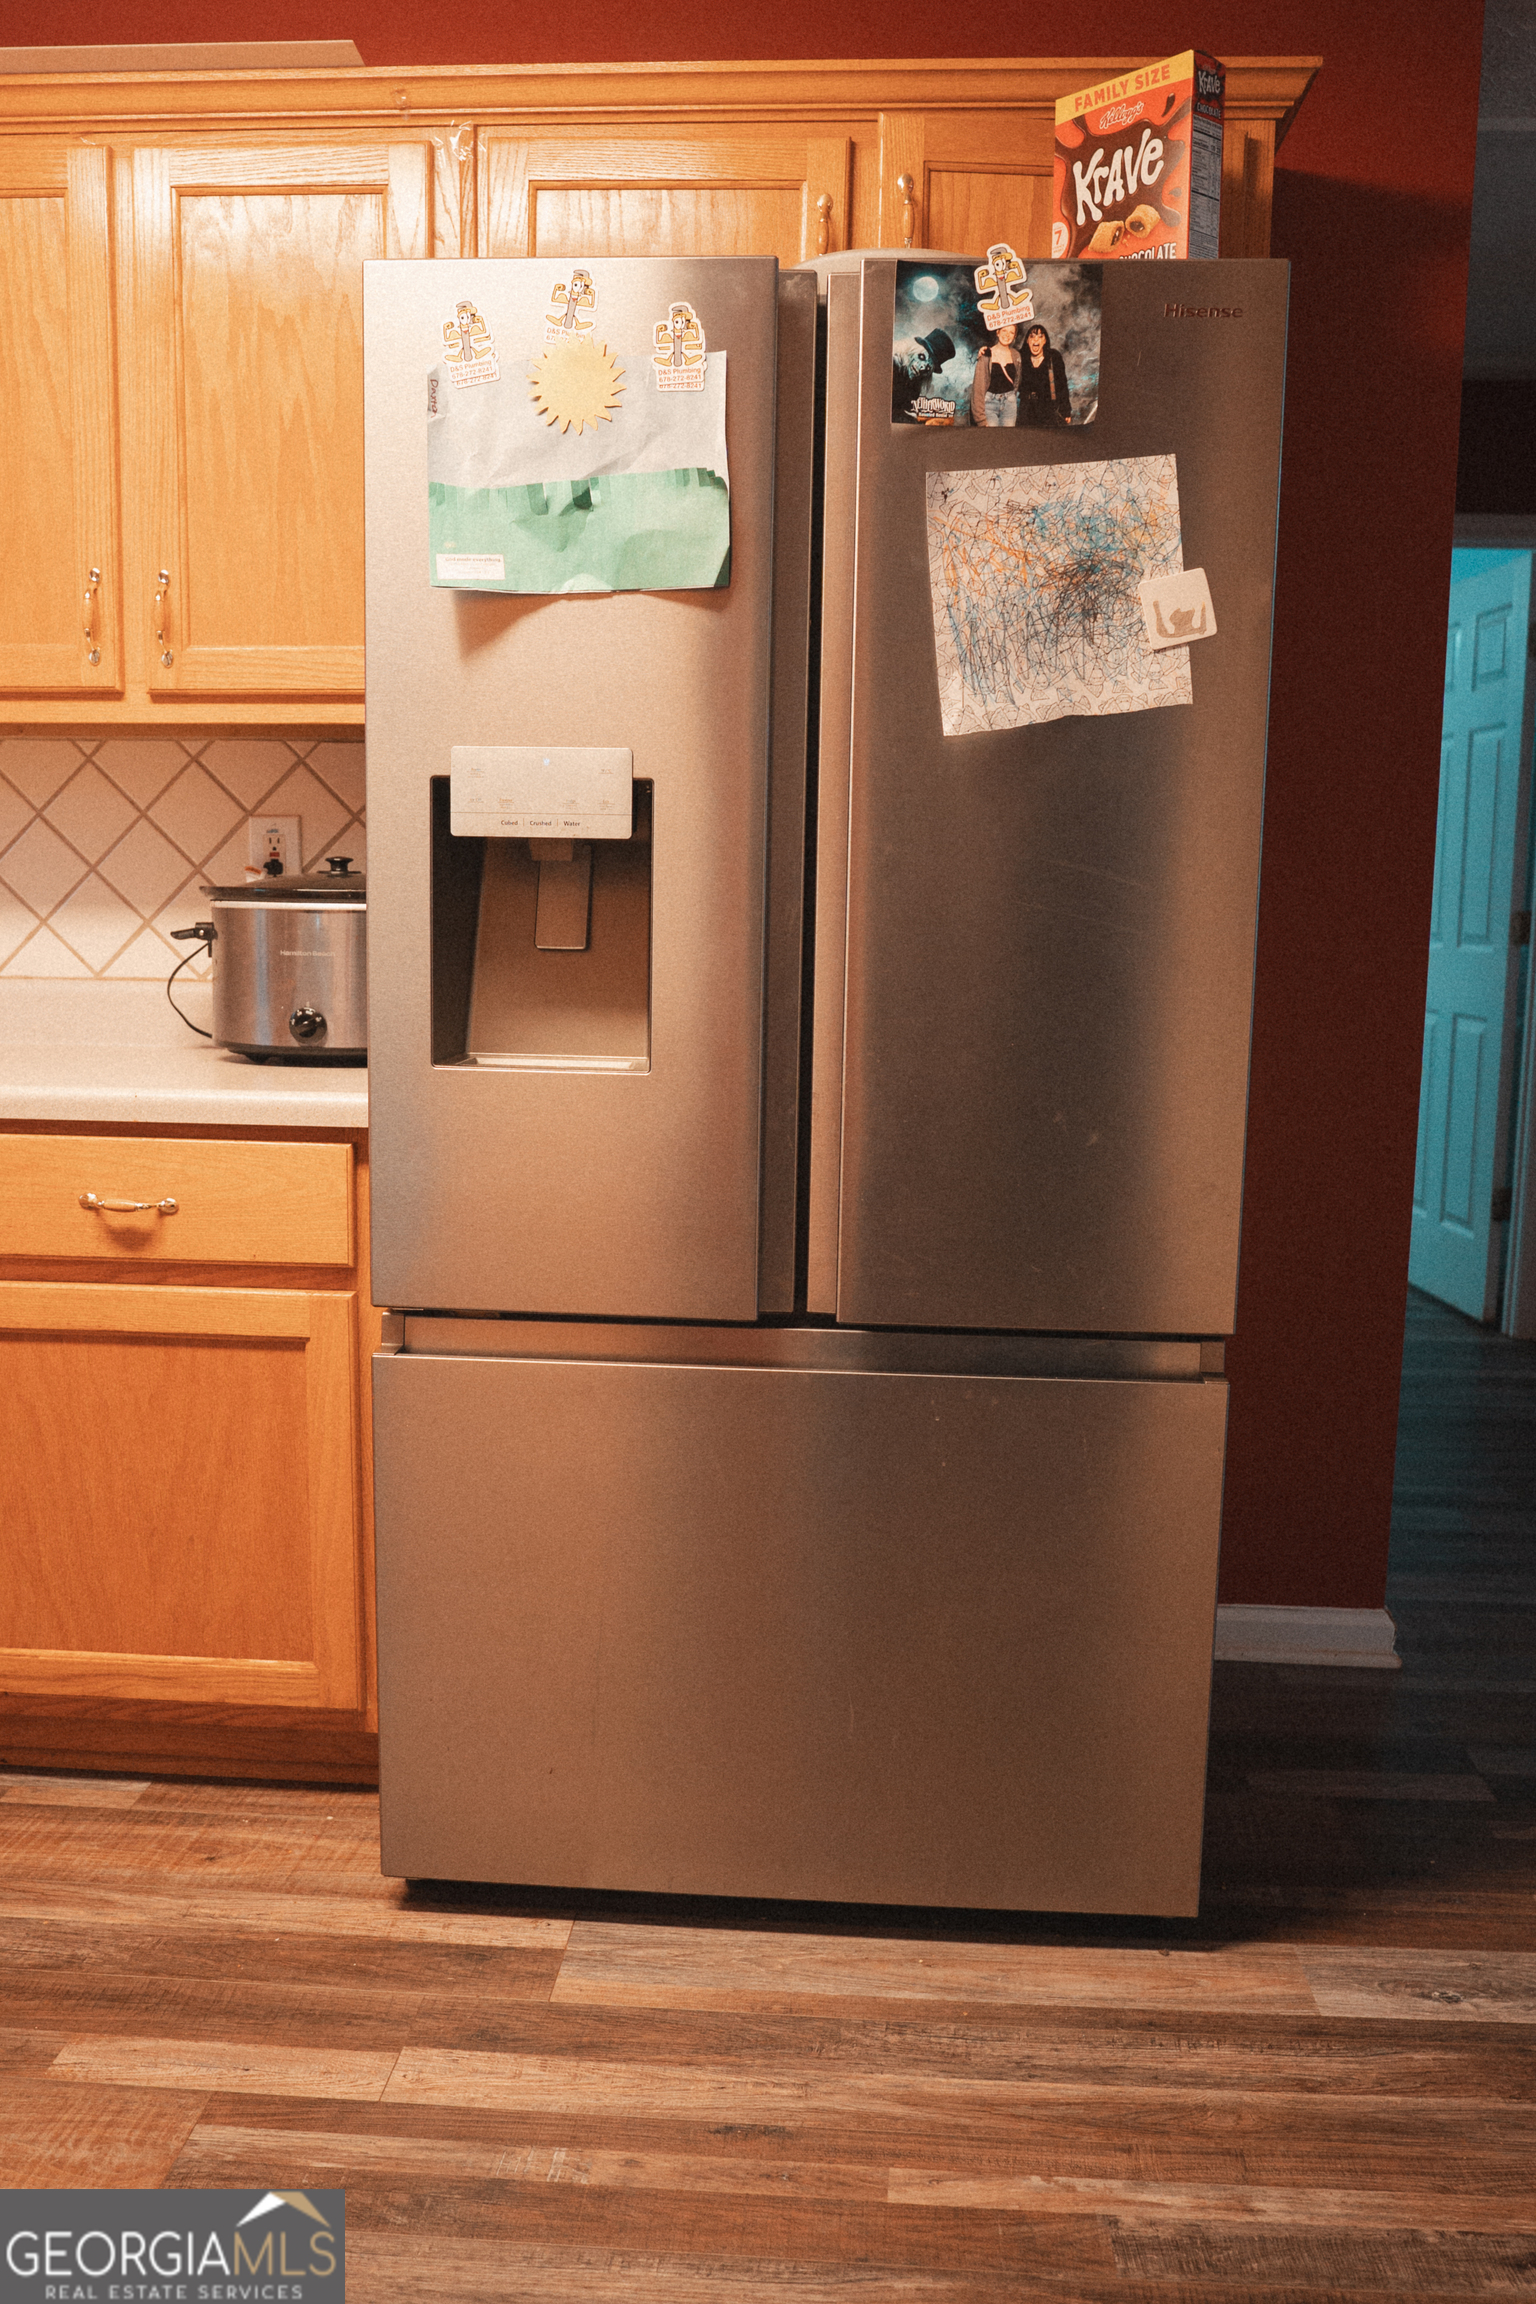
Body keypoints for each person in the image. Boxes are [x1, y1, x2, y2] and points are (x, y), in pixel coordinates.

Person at [1017, 322, 1072, 427]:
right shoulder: (1020, 357)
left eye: (1040, 336)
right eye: (1032, 336)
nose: (1036, 340)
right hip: (1026, 410)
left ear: (1045, 341)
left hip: (1048, 409)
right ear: (1027, 341)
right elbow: (1002, 355)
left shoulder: (1053, 357)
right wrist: (986, 352)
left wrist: (1066, 410)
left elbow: (1062, 385)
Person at [970, 321, 1023, 426]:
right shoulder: (986, 354)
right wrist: (980, 418)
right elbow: (978, 387)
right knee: (991, 439)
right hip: (989, 404)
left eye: (1011, 332)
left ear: (1014, 336)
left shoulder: (1016, 355)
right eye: (1004, 330)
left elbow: (1017, 380)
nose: (1007, 335)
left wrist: (1012, 397)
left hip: (1009, 404)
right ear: (997, 332)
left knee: (1008, 440)